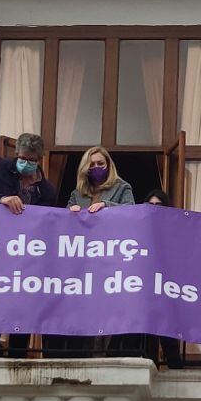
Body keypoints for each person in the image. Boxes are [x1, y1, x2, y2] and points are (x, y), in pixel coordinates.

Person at [0, 133, 57, 358]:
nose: (26, 162)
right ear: (16, 154)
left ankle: (18, 355)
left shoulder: (46, 191)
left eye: (31, 159)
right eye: (22, 157)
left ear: (39, 159)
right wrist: (1, 199)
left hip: (28, 258)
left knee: (24, 306)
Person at [64, 146, 134, 358]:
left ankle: (106, 354)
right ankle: (87, 353)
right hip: (83, 260)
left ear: (108, 165)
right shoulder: (78, 193)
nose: (96, 168)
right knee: (86, 308)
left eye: (100, 164)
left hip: (111, 257)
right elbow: (65, 217)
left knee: (108, 307)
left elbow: (131, 211)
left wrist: (106, 205)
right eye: (91, 164)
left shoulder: (122, 187)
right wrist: (71, 212)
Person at [131, 189, 183, 370]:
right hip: (145, 289)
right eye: (150, 205)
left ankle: (176, 369)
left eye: (159, 205)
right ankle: (151, 368)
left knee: (167, 331)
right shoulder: (138, 230)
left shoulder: (174, 230)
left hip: (166, 288)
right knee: (148, 333)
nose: (154, 208)